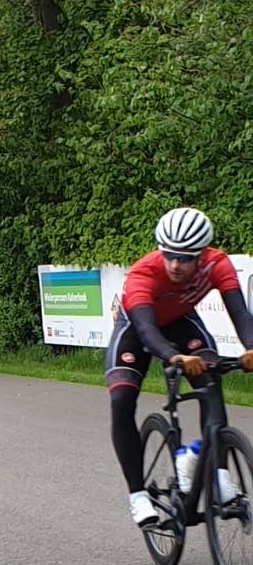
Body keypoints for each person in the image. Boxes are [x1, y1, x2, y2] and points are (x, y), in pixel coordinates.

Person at [106, 207, 253, 528]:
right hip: (137, 327)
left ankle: (218, 474)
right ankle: (137, 495)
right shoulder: (144, 273)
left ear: (202, 255)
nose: (175, 264)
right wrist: (174, 357)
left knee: (210, 379)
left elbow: (241, 314)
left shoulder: (217, 264)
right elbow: (146, 330)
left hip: (181, 321)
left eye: (185, 258)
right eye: (169, 255)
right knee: (121, 398)